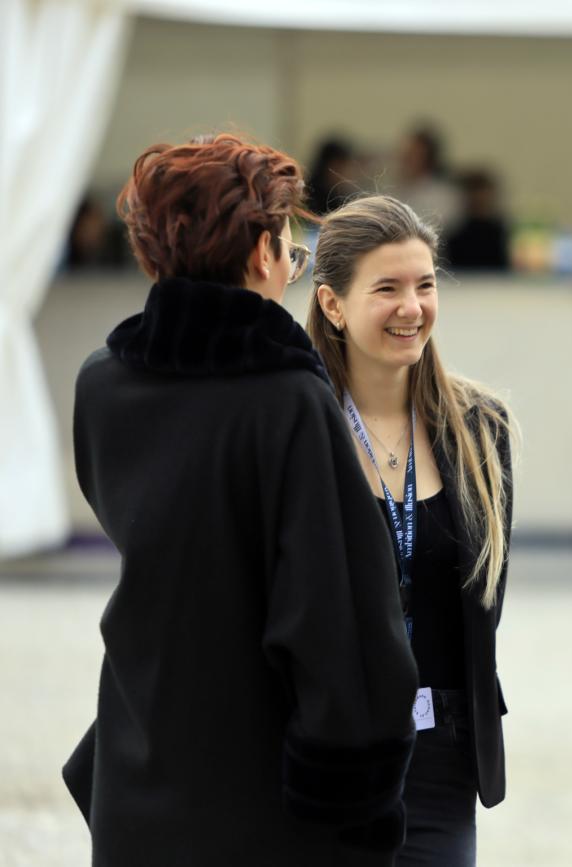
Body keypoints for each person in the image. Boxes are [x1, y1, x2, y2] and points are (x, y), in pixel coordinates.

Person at [63, 134, 420, 866]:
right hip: (257, 792)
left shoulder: (102, 383)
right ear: (261, 253)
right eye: (289, 245)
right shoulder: (286, 401)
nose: (291, 264)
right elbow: (335, 614)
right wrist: (360, 801)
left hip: (136, 756)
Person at [307, 195, 515, 867]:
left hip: (441, 759)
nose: (412, 307)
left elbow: (482, 607)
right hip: (323, 758)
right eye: (387, 289)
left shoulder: (480, 426)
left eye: (425, 285)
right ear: (333, 304)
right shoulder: (298, 430)